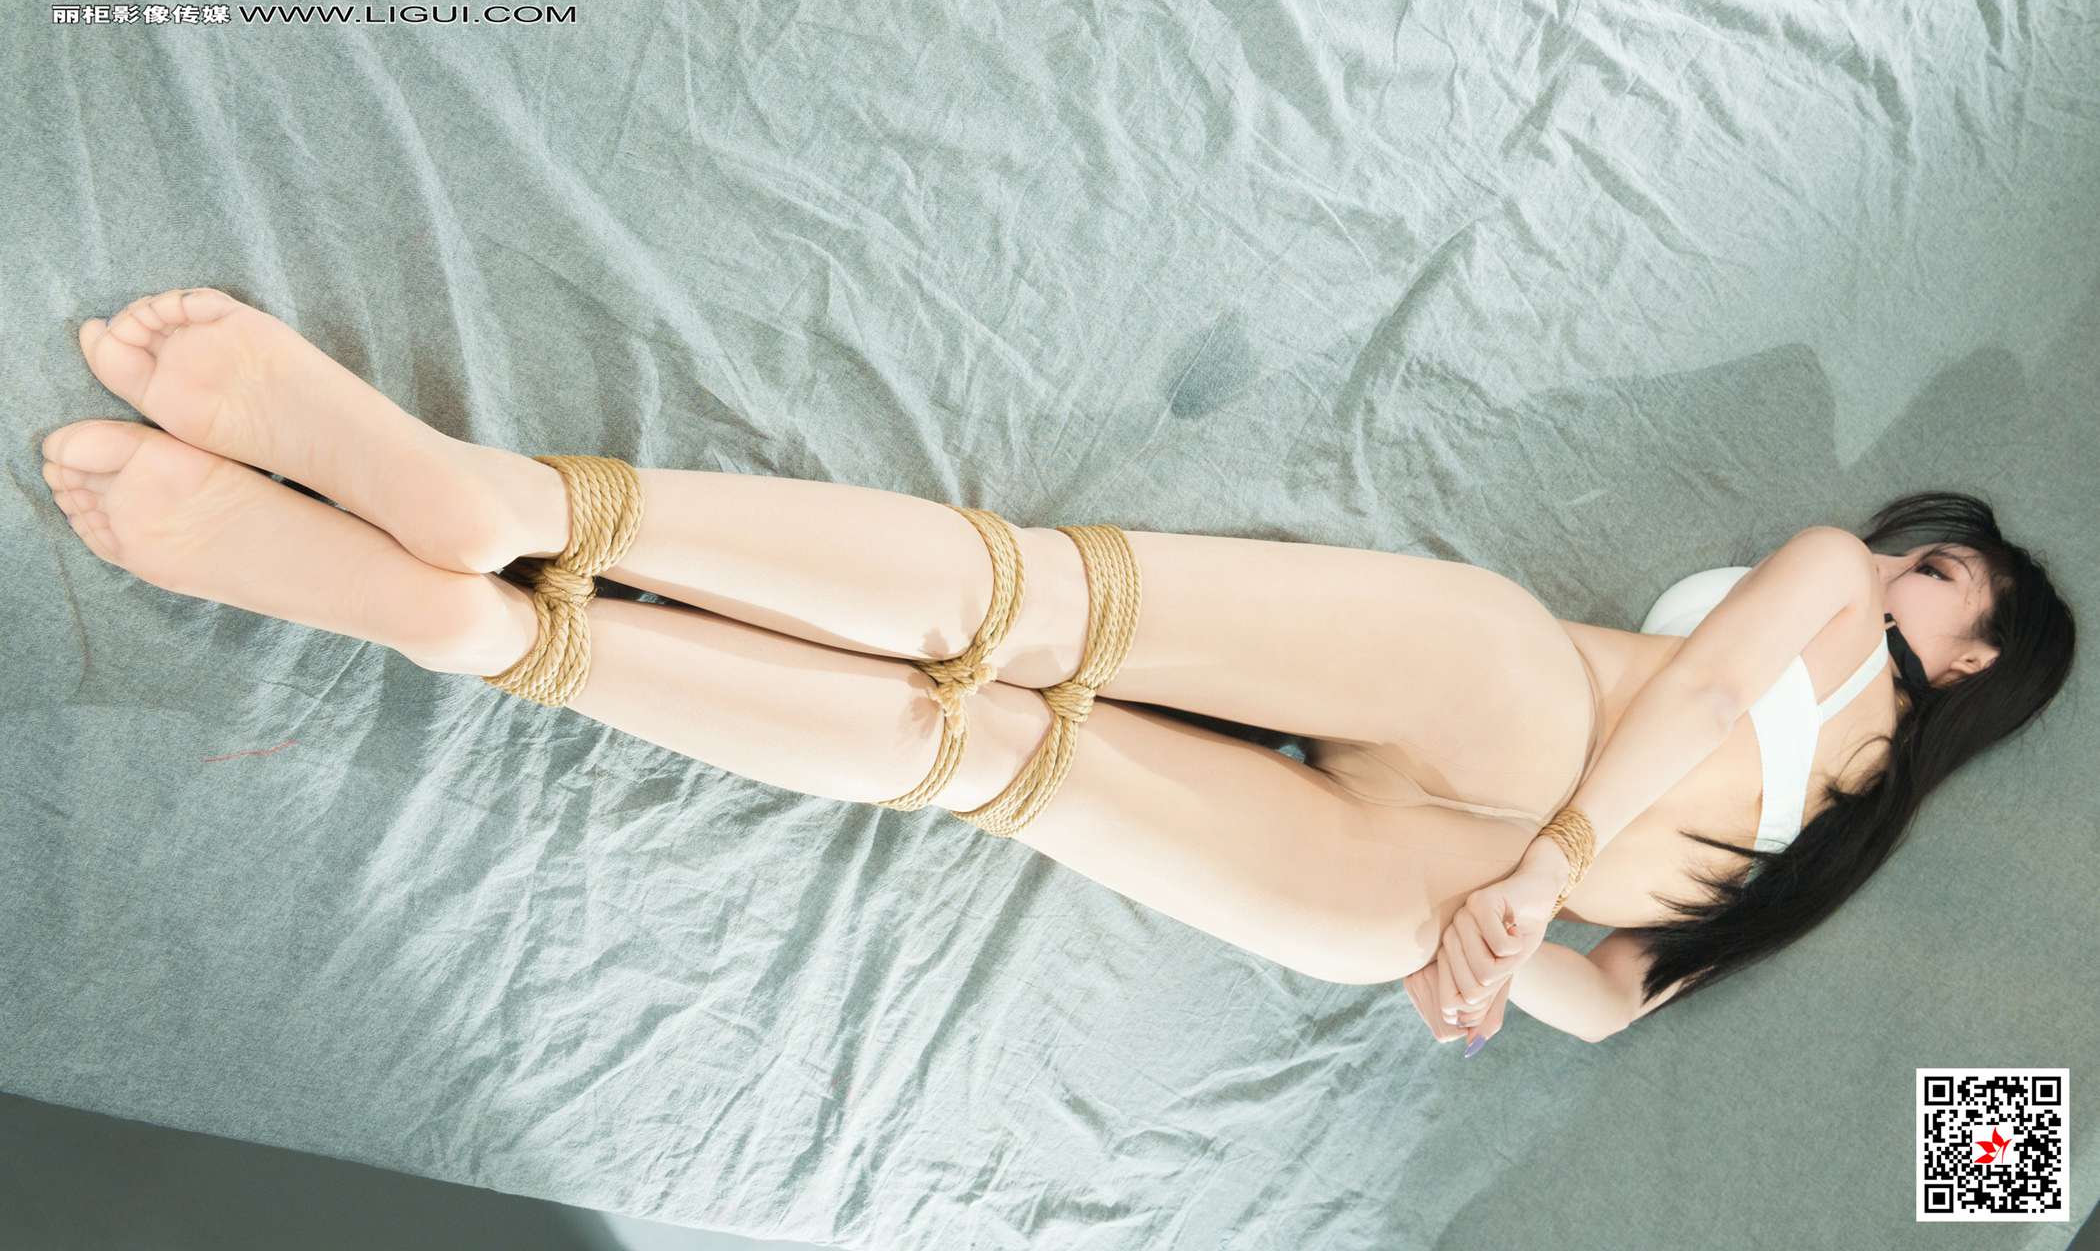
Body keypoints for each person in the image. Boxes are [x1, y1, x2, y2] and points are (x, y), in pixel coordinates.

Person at [40, 287, 2077, 1050]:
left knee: (1024, 615)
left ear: (1971, 644)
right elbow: (1613, 1003)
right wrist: (1489, 962)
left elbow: (1701, 694)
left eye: (1953, 574)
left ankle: (494, 518)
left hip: (1524, 739)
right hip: (1425, 895)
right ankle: (479, 617)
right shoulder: (1828, 858)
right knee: (976, 753)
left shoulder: (1840, 602)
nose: (1909, 557)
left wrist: (1525, 884)